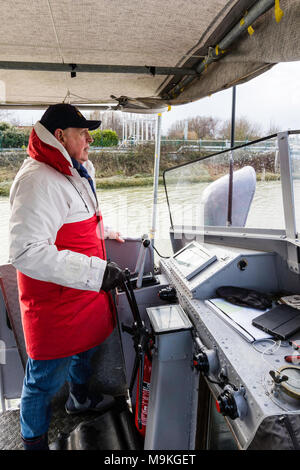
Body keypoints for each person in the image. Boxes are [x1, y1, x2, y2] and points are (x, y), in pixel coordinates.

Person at [9, 103, 125, 450]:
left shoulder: (71, 170)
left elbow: (74, 221)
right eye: (82, 132)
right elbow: (26, 251)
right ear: (59, 136)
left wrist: (102, 235)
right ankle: (34, 443)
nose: (90, 138)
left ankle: (79, 399)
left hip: (82, 292)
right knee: (43, 381)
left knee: (86, 349)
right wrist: (96, 271)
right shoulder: (37, 179)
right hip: (56, 303)